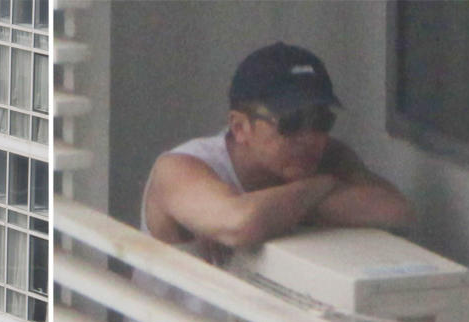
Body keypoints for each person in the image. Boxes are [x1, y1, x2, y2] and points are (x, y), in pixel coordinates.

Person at [144, 41, 412, 260]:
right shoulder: (180, 167)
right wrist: (322, 185)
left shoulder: (329, 155)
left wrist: (277, 210)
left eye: (321, 121)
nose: (309, 138)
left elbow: (396, 210)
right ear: (239, 127)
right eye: (291, 122)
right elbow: (240, 224)